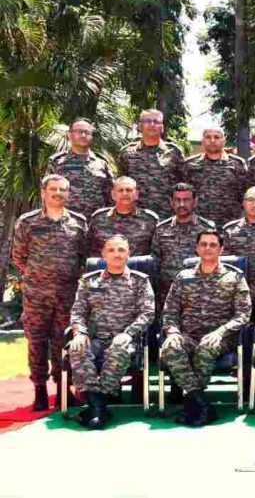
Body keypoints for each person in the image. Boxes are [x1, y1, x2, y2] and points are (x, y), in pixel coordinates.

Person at [11, 174, 88, 410]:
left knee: (62, 343)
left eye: (62, 190)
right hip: (36, 295)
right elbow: (19, 256)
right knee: (36, 342)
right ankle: (40, 390)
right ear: (43, 193)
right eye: (53, 189)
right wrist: (39, 276)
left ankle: (63, 388)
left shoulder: (78, 222)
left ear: (68, 193)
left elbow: (82, 256)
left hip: (67, 295)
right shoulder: (28, 222)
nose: (57, 193)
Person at [160, 230, 251, 426]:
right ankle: (199, 403)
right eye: (203, 244)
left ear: (221, 249)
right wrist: (173, 332)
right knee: (170, 347)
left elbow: (243, 314)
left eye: (213, 245)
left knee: (206, 348)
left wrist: (221, 332)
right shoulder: (183, 277)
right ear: (197, 248)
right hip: (188, 335)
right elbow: (169, 311)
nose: (208, 248)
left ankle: (192, 405)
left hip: (221, 337)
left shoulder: (234, 277)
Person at [67, 235, 153, 429]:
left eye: (121, 250)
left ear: (128, 254)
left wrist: (129, 334)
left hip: (127, 340)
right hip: (96, 338)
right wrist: (80, 332)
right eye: (112, 250)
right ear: (103, 254)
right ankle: (99, 407)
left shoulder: (140, 281)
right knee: (77, 348)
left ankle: (96, 407)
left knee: (118, 350)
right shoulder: (89, 281)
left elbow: (147, 313)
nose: (117, 254)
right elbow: (78, 311)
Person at [151, 183, 216, 317]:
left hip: (198, 292)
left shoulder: (206, 229)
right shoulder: (161, 229)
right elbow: (155, 261)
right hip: (167, 293)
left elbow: (214, 260)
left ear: (195, 202)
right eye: (177, 200)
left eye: (186, 200)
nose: (182, 204)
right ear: (171, 202)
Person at [116, 109, 184, 217]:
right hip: (134, 217)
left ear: (162, 127)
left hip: (165, 217)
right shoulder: (127, 153)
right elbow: (120, 184)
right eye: (147, 121)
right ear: (140, 126)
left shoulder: (174, 153)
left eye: (156, 122)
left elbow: (182, 186)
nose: (152, 124)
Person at [46, 118, 113, 218]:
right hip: (66, 223)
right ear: (69, 135)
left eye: (87, 132)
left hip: (95, 223)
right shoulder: (57, 162)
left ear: (91, 136)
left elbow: (111, 195)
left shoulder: (102, 163)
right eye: (79, 131)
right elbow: (46, 193)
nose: (83, 135)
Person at [182, 126, 248, 226]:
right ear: (202, 141)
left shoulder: (238, 164)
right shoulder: (190, 164)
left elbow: (245, 195)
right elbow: (182, 195)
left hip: (229, 225)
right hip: (197, 225)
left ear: (224, 141)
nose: (212, 141)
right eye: (208, 137)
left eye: (217, 137)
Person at [87, 177, 158, 256]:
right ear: (113, 195)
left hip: (138, 267)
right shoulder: (98, 218)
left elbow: (157, 251)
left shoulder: (150, 219)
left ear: (136, 194)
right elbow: (88, 247)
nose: (125, 193)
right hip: (105, 267)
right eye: (120, 190)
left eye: (129, 190)